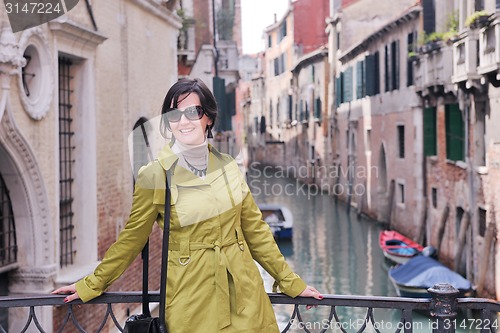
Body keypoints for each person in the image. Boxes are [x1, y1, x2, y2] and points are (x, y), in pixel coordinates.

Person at [52, 78, 322, 332]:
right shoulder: (155, 174)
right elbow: (131, 239)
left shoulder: (229, 167)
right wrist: (92, 283)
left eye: (192, 111)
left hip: (245, 294)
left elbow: (256, 232)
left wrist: (291, 282)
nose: (183, 121)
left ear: (208, 118)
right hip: (191, 297)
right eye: (174, 114)